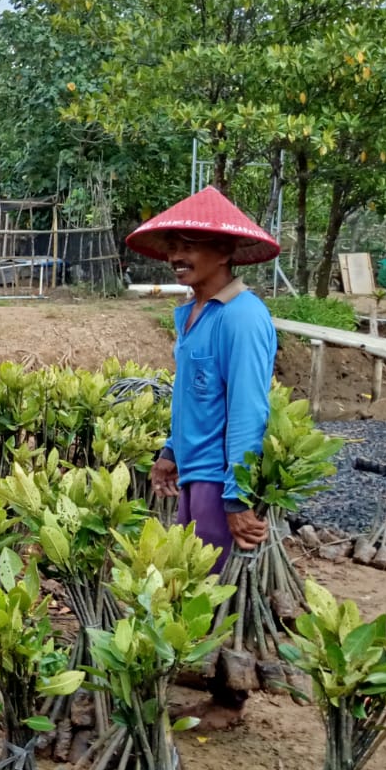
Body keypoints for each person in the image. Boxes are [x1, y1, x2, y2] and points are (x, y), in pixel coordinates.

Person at [130, 185, 281, 565]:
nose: (176, 257)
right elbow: (194, 398)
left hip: (218, 481)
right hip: (195, 476)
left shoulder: (241, 317)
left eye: (189, 245)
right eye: (172, 246)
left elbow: (248, 411)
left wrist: (236, 496)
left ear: (226, 251)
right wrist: (171, 451)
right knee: (190, 586)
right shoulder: (194, 314)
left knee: (211, 599)